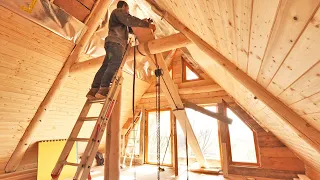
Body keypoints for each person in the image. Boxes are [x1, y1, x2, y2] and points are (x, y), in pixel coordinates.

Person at [86, 1, 156, 99]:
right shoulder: (118, 11)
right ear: (124, 6)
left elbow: (132, 28)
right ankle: (103, 89)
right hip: (116, 44)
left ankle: (93, 90)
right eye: (127, 9)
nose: (128, 12)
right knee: (114, 64)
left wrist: (144, 23)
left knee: (106, 65)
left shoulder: (119, 19)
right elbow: (129, 19)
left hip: (112, 44)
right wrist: (146, 25)